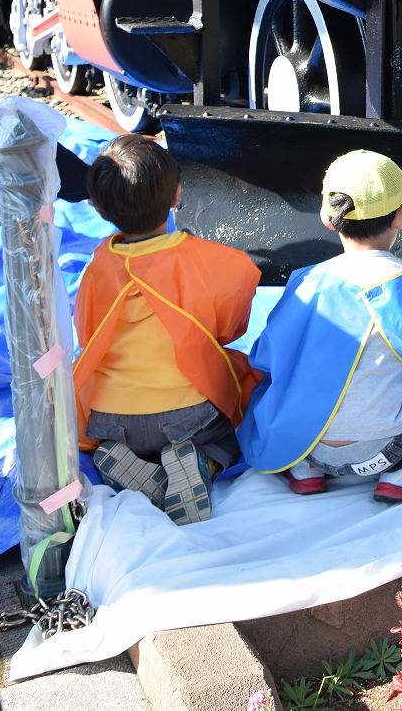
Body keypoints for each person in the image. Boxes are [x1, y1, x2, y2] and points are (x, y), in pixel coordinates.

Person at [237, 149, 402, 503]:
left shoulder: (305, 282)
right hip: (386, 451)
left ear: (327, 218)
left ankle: (307, 472)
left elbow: (269, 357)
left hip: (306, 445)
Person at [73, 134, 261, 526]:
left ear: (99, 208)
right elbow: (230, 328)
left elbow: (86, 334)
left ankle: (128, 468)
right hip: (189, 417)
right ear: (177, 196)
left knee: (128, 433)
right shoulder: (210, 260)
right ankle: (202, 463)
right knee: (235, 426)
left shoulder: (97, 267)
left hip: (110, 420)